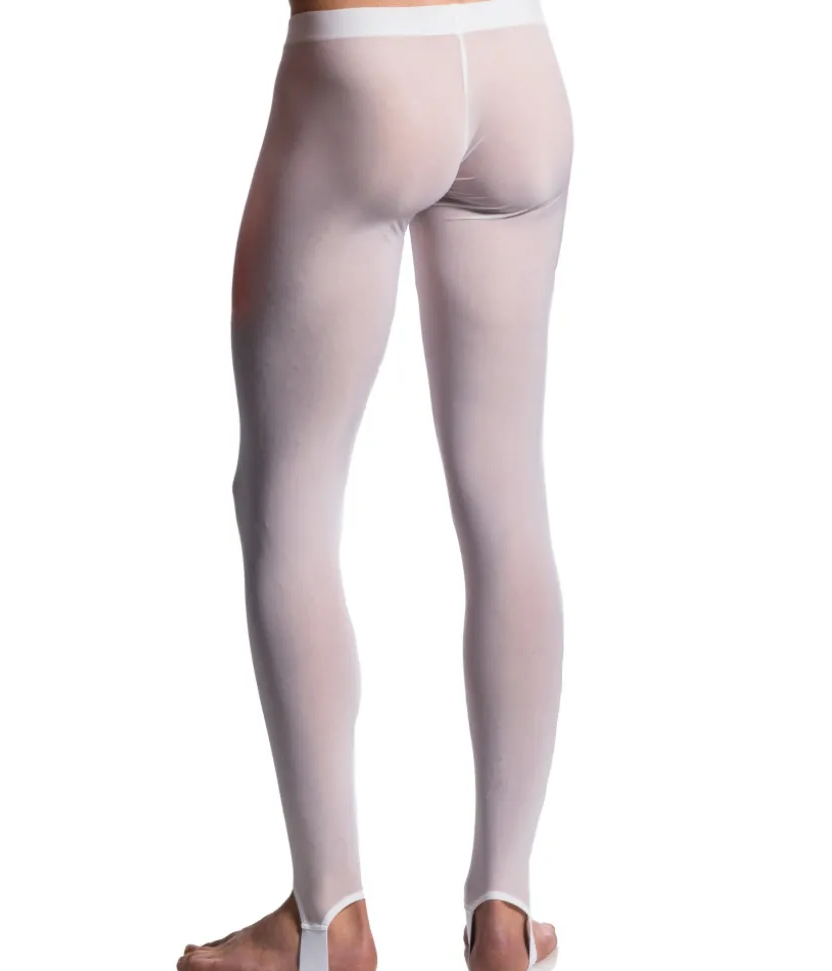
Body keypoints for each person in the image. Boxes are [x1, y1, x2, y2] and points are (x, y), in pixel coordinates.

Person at [177, 0, 572, 968]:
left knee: (289, 497)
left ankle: (328, 922)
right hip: (518, 60)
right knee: (509, 493)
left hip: (361, 60)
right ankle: (505, 910)